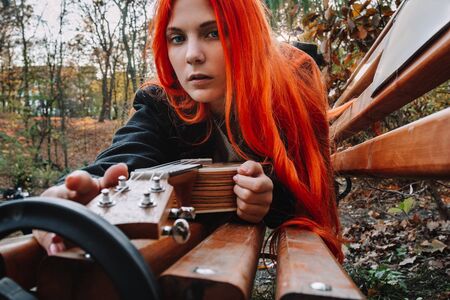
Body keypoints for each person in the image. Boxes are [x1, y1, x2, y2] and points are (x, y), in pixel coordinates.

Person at [35, 0, 343, 262]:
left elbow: (308, 188)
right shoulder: (162, 103)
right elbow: (128, 154)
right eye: (177, 38)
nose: (192, 55)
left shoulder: (290, 89)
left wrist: (268, 199)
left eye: (213, 33)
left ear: (246, 35)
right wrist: (68, 195)